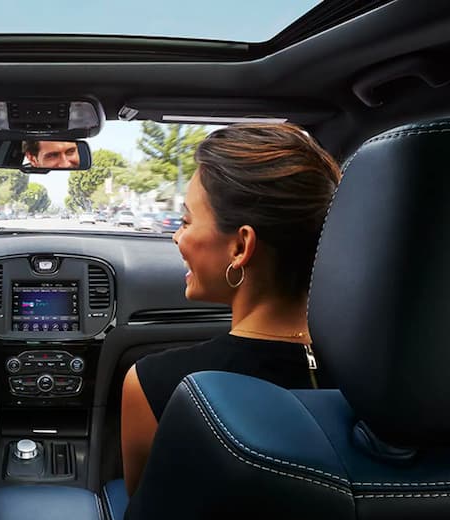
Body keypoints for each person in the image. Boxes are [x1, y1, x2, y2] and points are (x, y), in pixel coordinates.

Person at [120, 123, 340, 496]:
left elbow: (146, 513)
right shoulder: (387, 380)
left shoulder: (153, 384)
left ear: (240, 247)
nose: (177, 235)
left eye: (187, 220)